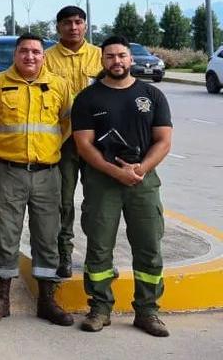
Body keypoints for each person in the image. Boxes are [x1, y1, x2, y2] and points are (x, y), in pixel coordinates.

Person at [71, 35, 172, 337]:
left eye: (122, 56)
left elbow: (164, 140)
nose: (116, 61)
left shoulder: (152, 95)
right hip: (103, 182)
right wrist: (116, 172)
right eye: (110, 56)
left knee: (149, 246)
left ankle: (148, 311)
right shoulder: (88, 98)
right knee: (99, 247)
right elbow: (84, 145)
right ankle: (100, 308)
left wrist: (140, 169)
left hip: (143, 180)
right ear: (102, 61)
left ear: (130, 59)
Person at [0, 35, 74, 327]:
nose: (30, 56)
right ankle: (2, 298)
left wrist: (46, 151)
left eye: (35, 52)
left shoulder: (59, 85)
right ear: (15, 55)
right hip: (8, 172)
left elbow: (66, 125)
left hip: (47, 173)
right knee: (6, 236)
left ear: (43, 56)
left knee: (47, 236)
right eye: (24, 51)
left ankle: (47, 300)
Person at [43, 5, 102, 278]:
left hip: (98, 142)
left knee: (98, 203)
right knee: (63, 203)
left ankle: (98, 258)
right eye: (67, 23)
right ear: (58, 27)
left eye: (79, 22)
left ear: (86, 25)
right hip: (63, 141)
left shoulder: (101, 57)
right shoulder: (46, 59)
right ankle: (64, 255)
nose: (73, 27)